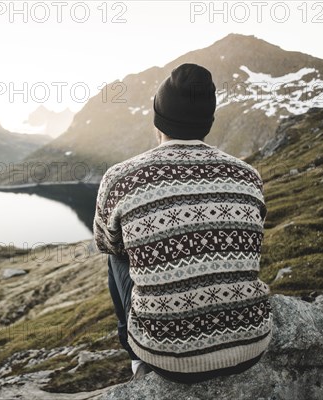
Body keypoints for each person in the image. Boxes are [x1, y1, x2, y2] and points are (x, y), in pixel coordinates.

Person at [93, 63, 272, 383]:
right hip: (251, 345)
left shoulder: (121, 178)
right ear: (209, 122)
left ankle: (136, 358)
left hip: (168, 358)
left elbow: (106, 242)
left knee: (116, 255)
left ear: (158, 119)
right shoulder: (248, 176)